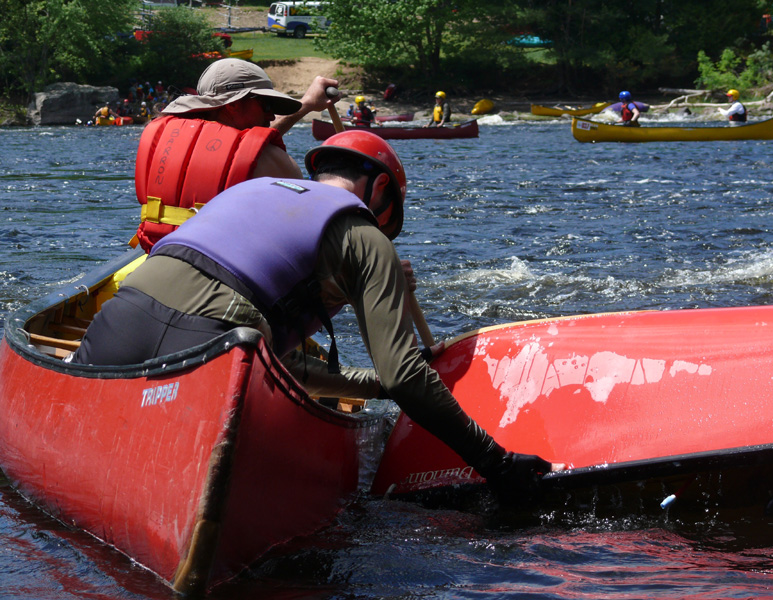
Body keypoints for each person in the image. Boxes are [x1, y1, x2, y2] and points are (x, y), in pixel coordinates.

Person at [72, 130, 554, 500]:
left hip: (117, 318)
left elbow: (283, 369)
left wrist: (377, 387)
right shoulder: (367, 238)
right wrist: (497, 465)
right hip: (214, 340)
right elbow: (405, 375)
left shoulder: (249, 192)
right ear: (380, 188)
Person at [132, 58, 340, 252]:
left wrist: (306, 104)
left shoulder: (163, 141)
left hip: (159, 251)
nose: (271, 115)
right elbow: (305, 229)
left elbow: (242, 152)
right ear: (232, 104)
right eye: (266, 105)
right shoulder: (274, 162)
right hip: (223, 267)